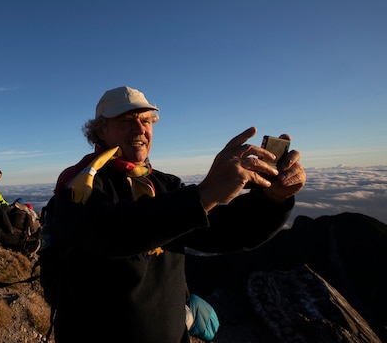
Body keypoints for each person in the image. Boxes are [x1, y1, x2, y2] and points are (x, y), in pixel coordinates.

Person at [48, 86, 306, 342]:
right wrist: (205, 193)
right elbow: (109, 232)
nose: (140, 129)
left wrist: (273, 199)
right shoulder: (80, 183)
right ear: (101, 130)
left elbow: (223, 232)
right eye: (127, 121)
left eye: (147, 120)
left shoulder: (165, 185)